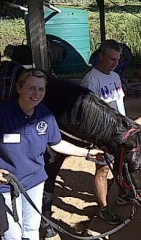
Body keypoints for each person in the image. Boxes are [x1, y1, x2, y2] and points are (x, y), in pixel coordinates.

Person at [0, 69, 103, 240]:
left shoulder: (45, 115)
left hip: (34, 181)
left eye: (41, 89)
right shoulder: (3, 113)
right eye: (31, 88)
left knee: (31, 230)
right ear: (19, 88)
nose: (37, 94)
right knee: (12, 234)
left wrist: (87, 153)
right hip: (6, 185)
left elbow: (57, 143)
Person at [80, 39, 126, 224]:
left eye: (118, 60)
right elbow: (87, 115)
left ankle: (121, 194)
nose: (115, 63)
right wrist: (97, 140)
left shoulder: (115, 76)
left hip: (119, 131)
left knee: (120, 165)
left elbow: (119, 104)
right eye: (112, 59)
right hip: (101, 135)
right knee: (103, 170)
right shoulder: (90, 81)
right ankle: (104, 208)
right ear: (101, 56)